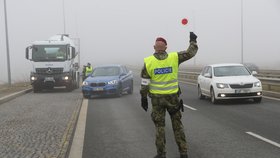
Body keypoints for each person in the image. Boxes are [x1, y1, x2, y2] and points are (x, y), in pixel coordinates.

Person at [140, 32, 198, 158]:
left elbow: (145, 83)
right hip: (173, 99)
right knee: (177, 127)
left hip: (157, 101)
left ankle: (161, 154)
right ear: (166, 47)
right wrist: (193, 41)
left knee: (159, 128)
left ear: (154, 47)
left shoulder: (148, 62)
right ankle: (183, 153)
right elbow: (190, 53)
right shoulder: (174, 57)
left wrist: (143, 98)